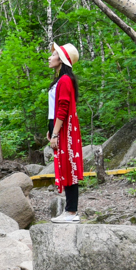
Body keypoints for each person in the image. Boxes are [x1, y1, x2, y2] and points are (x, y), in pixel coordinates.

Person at [47, 42, 83, 223]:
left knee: (70, 166)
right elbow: (53, 109)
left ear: (61, 59)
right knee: (65, 165)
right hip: (60, 128)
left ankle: (71, 212)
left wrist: (55, 133)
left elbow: (63, 108)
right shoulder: (60, 80)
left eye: (53, 55)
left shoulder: (66, 80)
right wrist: (50, 129)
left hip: (66, 130)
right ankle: (70, 211)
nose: (49, 57)